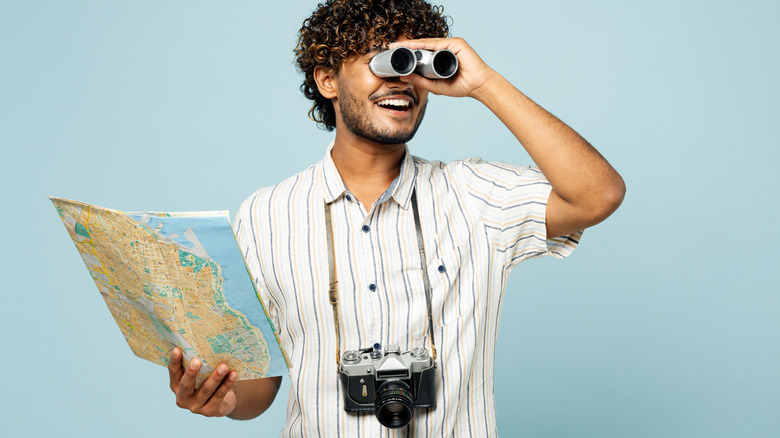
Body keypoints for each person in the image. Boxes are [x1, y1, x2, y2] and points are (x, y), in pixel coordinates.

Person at [167, 0, 626, 436]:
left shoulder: (474, 196)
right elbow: (260, 383)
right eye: (382, 61)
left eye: (414, 63)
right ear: (327, 79)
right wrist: (222, 398)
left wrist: (484, 84)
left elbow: (598, 195)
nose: (401, 80)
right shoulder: (265, 215)